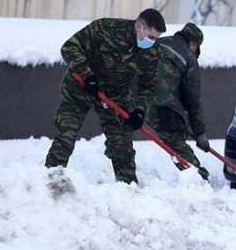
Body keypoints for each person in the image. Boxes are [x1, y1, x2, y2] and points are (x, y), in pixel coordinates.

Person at [44, 9, 166, 184]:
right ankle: (50, 181)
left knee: (121, 143)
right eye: (151, 37)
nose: (153, 42)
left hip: (115, 96)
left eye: (156, 38)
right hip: (81, 88)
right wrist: (87, 75)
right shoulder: (106, 28)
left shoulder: (152, 50)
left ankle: (128, 189)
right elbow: (69, 47)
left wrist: (140, 111)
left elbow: (148, 85)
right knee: (67, 135)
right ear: (139, 26)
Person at [148, 22, 211, 182]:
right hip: (163, 107)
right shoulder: (189, 58)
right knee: (176, 144)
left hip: (136, 99)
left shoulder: (159, 42)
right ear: (193, 44)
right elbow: (193, 100)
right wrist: (199, 132)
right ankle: (199, 180)